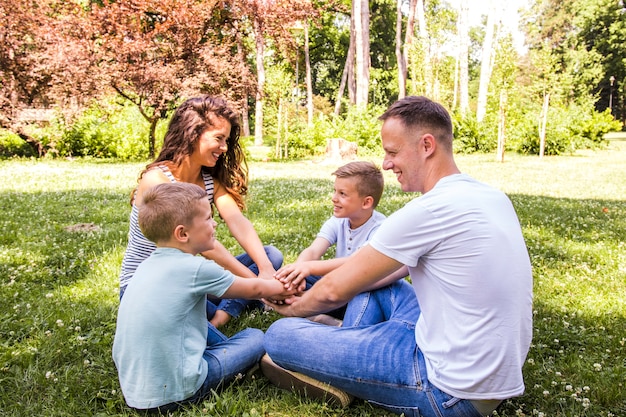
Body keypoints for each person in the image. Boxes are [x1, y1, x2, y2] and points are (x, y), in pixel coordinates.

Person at [262, 96, 533, 417]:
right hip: (482, 374)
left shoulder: (429, 210)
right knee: (383, 287)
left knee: (280, 337)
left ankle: (344, 357)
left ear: (427, 145)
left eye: (392, 152)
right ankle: (353, 345)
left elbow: (335, 290)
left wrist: (293, 308)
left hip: (447, 389)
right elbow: (377, 270)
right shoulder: (492, 196)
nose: (386, 164)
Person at [112, 182, 295, 413]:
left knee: (217, 342)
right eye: (208, 218)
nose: (215, 223)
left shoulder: (145, 267)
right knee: (255, 337)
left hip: (136, 391)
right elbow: (255, 289)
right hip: (180, 390)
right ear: (182, 233)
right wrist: (283, 287)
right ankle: (258, 363)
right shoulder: (195, 268)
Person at [118, 95, 282, 327]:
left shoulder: (208, 181)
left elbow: (237, 220)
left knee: (270, 255)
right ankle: (230, 312)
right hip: (149, 287)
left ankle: (230, 308)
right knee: (217, 295)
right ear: (193, 133)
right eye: (219, 138)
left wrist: (265, 269)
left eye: (226, 140)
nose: (224, 148)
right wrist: (258, 283)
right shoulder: (157, 180)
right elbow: (210, 249)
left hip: (188, 277)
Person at [274, 160, 415, 324]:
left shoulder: (380, 228)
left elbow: (354, 263)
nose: (334, 198)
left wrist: (308, 267)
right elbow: (313, 251)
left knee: (360, 292)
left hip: (359, 288)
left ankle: (327, 320)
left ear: (366, 202)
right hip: (335, 285)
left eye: (342, 194)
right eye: (335, 191)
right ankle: (312, 313)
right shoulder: (338, 220)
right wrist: (296, 272)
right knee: (304, 279)